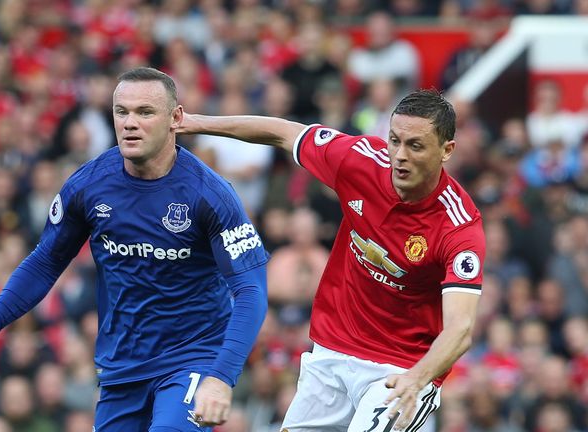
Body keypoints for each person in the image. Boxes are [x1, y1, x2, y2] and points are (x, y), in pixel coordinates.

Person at [0, 67, 270, 430]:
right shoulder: (89, 185)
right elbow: (46, 262)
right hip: (121, 366)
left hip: (192, 359)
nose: (130, 123)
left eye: (145, 112)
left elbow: (250, 291)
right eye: (122, 112)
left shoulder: (210, 195)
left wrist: (220, 376)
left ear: (176, 118)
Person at [177, 89, 485, 431]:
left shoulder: (458, 226)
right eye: (394, 140)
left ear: (447, 150)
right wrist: (194, 122)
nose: (399, 155)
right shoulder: (361, 160)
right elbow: (283, 132)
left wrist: (417, 378)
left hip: (400, 371)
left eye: (415, 146)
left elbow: (460, 329)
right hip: (331, 352)